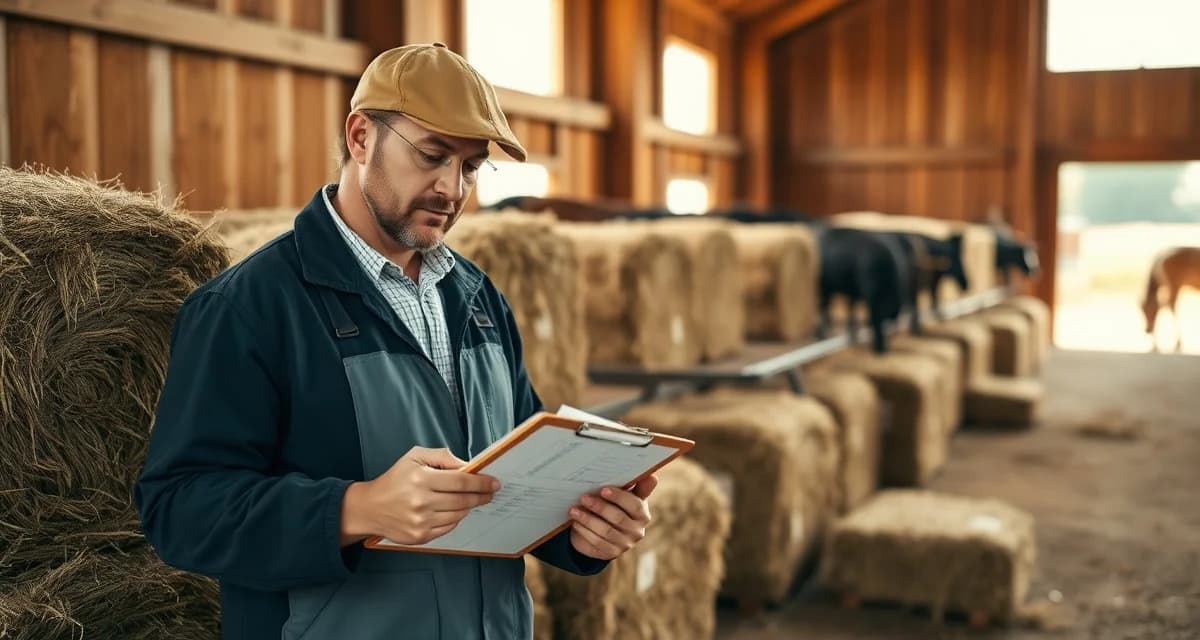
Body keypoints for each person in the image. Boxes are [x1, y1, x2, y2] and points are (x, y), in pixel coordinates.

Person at [135, 43, 657, 639]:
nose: (452, 188)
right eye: (432, 155)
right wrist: (358, 509)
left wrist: (582, 530)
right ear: (360, 137)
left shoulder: (477, 297)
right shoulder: (249, 307)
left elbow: (513, 472)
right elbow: (179, 510)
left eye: (469, 166)